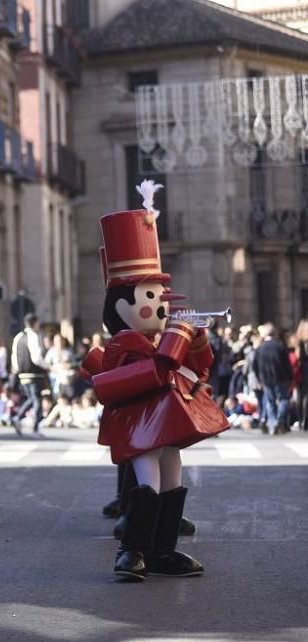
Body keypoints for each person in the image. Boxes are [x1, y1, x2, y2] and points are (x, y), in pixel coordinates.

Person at [80, 181, 227, 582]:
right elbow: (157, 368)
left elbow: (197, 370)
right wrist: (179, 338)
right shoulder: (125, 342)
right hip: (141, 428)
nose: (159, 304)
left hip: (165, 425)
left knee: (172, 478)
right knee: (148, 480)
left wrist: (196, 340)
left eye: (160, 295)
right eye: (149, 295)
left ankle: (163, 549)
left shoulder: (157, 336)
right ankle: (132, 551)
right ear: (121, 304)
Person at [10, 314, 48, 438]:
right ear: (35, 323)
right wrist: (47, 366)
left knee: (31, 398)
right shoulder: (33, 336)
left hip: (22, 374)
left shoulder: (18, 337)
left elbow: (14, 357)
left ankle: (17, 417)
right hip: (34, 373)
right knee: (37, 400)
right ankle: (35, 428)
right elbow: (36, 358)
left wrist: (17, 371)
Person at [252, 323, 293, 435]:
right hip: (281, 378)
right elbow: (287, 363)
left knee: (270, 402)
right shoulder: (280, 346)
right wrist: (290, 377)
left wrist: (259, 378)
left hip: (266, 379)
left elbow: (254, 366)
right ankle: (280, 420)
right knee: (283, 399)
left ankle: (273, 422)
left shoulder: (260, 348)